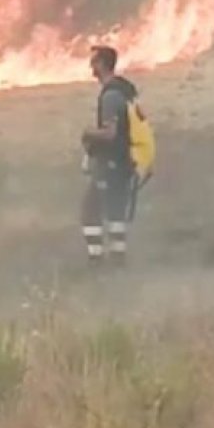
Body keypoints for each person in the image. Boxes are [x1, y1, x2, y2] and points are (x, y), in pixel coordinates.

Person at [81, 45, 138, 266]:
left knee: (89, 211)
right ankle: (118, 260)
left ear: (102, 64)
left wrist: (88, 133)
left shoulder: (111, 96)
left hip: (112, 164)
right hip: (124, 163)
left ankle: (96, 261)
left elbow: (110, 133)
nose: (91, 68)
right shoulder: (124, 91)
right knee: (115, 214)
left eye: (94, 62)